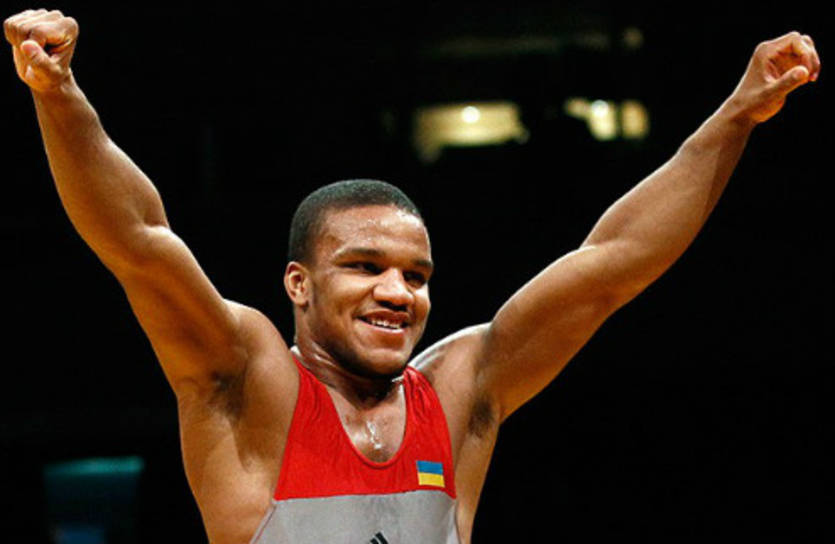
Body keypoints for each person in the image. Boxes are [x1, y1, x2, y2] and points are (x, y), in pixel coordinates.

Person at [4, 8, 821, 544]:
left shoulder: (461, 390)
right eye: (363, 267)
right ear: (298, 284)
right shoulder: (247, 384)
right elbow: (140, 242)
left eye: (416, 275)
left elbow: (613, 264)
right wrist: (59, 94)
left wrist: (736, 115)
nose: (397, 292)